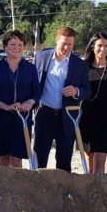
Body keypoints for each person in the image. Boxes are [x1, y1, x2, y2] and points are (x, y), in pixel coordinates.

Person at [33, 26, 91, 172]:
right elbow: (33, 83)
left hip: (68, 117)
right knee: (39, 159)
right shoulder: (41, 57)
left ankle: (62, 187)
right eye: (63, 43)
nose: (66, 48)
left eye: (70, 44)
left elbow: (87, 91)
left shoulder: (80, 65)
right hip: (44, 115)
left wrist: (76, 91)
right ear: (56, 40)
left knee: (64, 163)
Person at [0, 30, 40, 167]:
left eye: (20, 44)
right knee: (3, 158)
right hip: (1, 117)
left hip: (22, 118)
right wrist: (5, 106)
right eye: (12, 44)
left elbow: (36, 93)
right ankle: (4, 182)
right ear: (5, 46)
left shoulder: (31, 68)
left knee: (17, 159)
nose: (16, 47)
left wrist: (30, 102)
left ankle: (18, 182)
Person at [78, 33, 107, 174]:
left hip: (106, 119)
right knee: (89, 157)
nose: (103, 49)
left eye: (106, 46)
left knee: (100, 159)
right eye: (99, 45)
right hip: (86, 118)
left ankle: (99, 186)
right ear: (92, 47)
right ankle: (90, 185)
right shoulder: (83, 67)